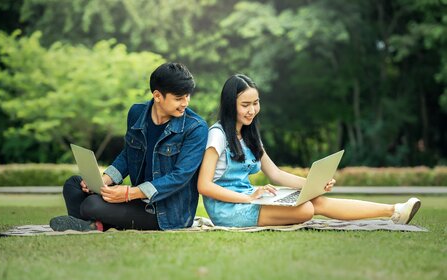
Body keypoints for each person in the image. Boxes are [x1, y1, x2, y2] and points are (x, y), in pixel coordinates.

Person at [197, 74, 421, 227]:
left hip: (250, 198)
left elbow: (275, 174)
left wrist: (312, 185)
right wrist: (247, 198)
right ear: (229, 105)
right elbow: (204, 185)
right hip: (228, 209)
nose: (252, 110)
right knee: (306, 210)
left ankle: (395, 210)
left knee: (317, 200)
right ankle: (393, 211)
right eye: (245, 105)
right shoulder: (217, 135)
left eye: (255, 103)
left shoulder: (249, 134)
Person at [50, 62, 208, 231]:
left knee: (91, 205)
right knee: (74, 184)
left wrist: (129, 193)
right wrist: (104, 180)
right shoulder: (137, 113)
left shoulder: (196, 128)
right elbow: (128, 155)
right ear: (157, 96)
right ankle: (93, 225)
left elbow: (180, 176)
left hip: (165, 211)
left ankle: (93, 222)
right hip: (136, 200)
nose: (186, 103)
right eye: (178, 98)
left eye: (187, 96)